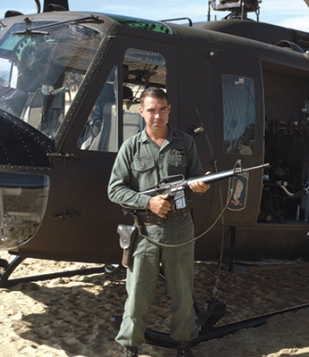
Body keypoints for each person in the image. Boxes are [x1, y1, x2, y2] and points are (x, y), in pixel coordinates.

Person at [108, 87, 210, 357]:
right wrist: (147, 202)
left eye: (162, 109)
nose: (157, 115)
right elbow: (115, 189)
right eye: (151, 110)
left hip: (180, 227)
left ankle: (183, 342)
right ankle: (130, 346)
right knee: (138, 293)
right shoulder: (131, 147)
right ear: (141, 112)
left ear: (169, 110)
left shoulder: (185, 142)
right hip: (145, 231)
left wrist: (200, 186)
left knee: (182, 291)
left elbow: (196, 177)